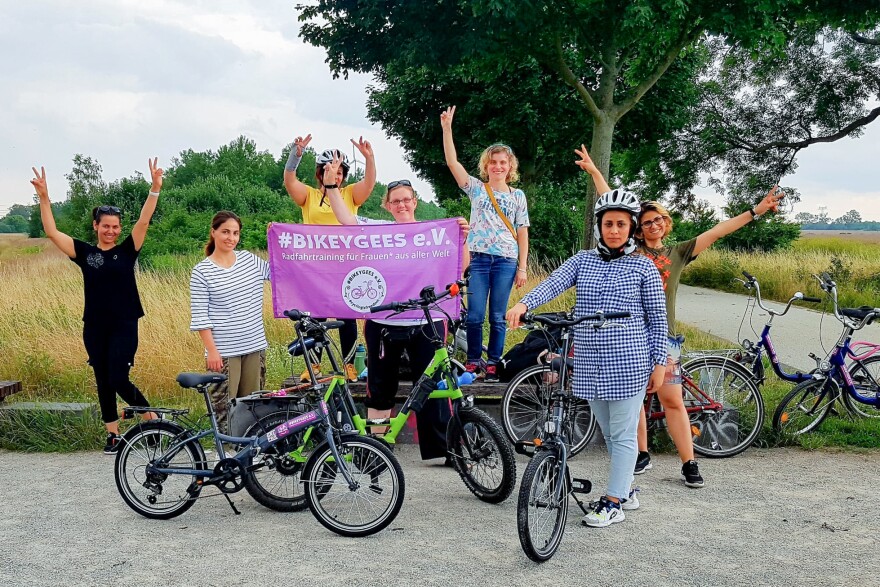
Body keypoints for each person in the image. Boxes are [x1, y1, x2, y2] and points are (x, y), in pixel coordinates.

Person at [575, 144, 783, 488]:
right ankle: (640, 454)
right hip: (627, 340)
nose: (653, 224)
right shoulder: (631, 251)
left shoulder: (678, 252)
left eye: (658, 219)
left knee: (672, 399)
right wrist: (596, 173)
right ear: (637, 229)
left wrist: (756, 211)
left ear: (666, 223)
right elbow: (612, 206)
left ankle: (689, 462)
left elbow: (718, 231)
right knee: (632, 401)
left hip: (663, 337)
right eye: (646, 222)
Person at [506, 185, 667, 528]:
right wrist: (524, 304)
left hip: (629, 363)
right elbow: (554, 282)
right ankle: (626, 489)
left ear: (631, 228)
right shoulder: (584, 261)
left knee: (623, 435)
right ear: (599, 226)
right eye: (608, 223)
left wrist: (659, 363)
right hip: (590, 364)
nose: (614, 230)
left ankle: (613, 502)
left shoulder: (644, 268)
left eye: (621, 225)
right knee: (610, 433)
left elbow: (658, 320)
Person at [322, 155, 467, 462]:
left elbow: (459, 268)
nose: (402, 205)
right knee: (379, 387)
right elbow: (346, 220)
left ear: (415, 202)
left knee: (432, 385)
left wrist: (462, 239)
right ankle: (376, 449)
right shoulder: (377, 230)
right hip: (384, 322)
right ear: (386, 206)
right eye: (395, 201)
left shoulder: (435, 231)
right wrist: (331, 185)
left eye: (406, 200)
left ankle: (443, 449)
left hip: (426, 320)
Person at [31, 160, 162, 454]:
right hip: (95, 326)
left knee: (118, 377)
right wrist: (44, 197)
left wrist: (154, 189)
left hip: (125, 323)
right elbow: (52, 231)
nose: (111, 231)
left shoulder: (128, 250)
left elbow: (143, 221)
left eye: (115, 227)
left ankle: (151, 418)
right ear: (96, 226)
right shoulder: (85, 253)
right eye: (106, 226)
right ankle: (113, 435)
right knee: (102, 379)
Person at [441, 105, 529, 382]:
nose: (498, 167)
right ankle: (472, 361)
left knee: (499, 316)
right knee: (475, 315)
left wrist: (523, 267)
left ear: (510, 166)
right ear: (486, 165)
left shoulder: (518, 196)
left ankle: (493, 362)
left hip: (506, 260)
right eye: (493, 162)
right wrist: (447, 130)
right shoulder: (478, 189)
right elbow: (453, 164)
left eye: (503, 162)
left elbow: (523, 230)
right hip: (479, 259)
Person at [283, 134, 377, 382]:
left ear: (343, 175)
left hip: (345, 267)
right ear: (320, 172)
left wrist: (369, 158)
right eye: (328, 169)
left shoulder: (349, 194)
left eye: (339, 171)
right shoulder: (309, 196)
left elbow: (369, 182)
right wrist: (296, 154)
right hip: (314, 268)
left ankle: (348, 366)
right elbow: (289, 179)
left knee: (347, 316)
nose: (334, 174)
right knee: (314, 318)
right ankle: (313, 366)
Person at [189, 211, 271, 434]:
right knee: (225, 408)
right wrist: (212, 351)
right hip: (224, 351)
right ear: (213, 232)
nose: (230, 238)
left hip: (254, 345)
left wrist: (275, 238)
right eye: (225, 232)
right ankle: (225, 456)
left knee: (253, 405)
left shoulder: (249, 260)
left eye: (235, 233)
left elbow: (279, 272)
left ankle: (248, 457)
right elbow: (200, 316)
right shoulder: (202, 271)